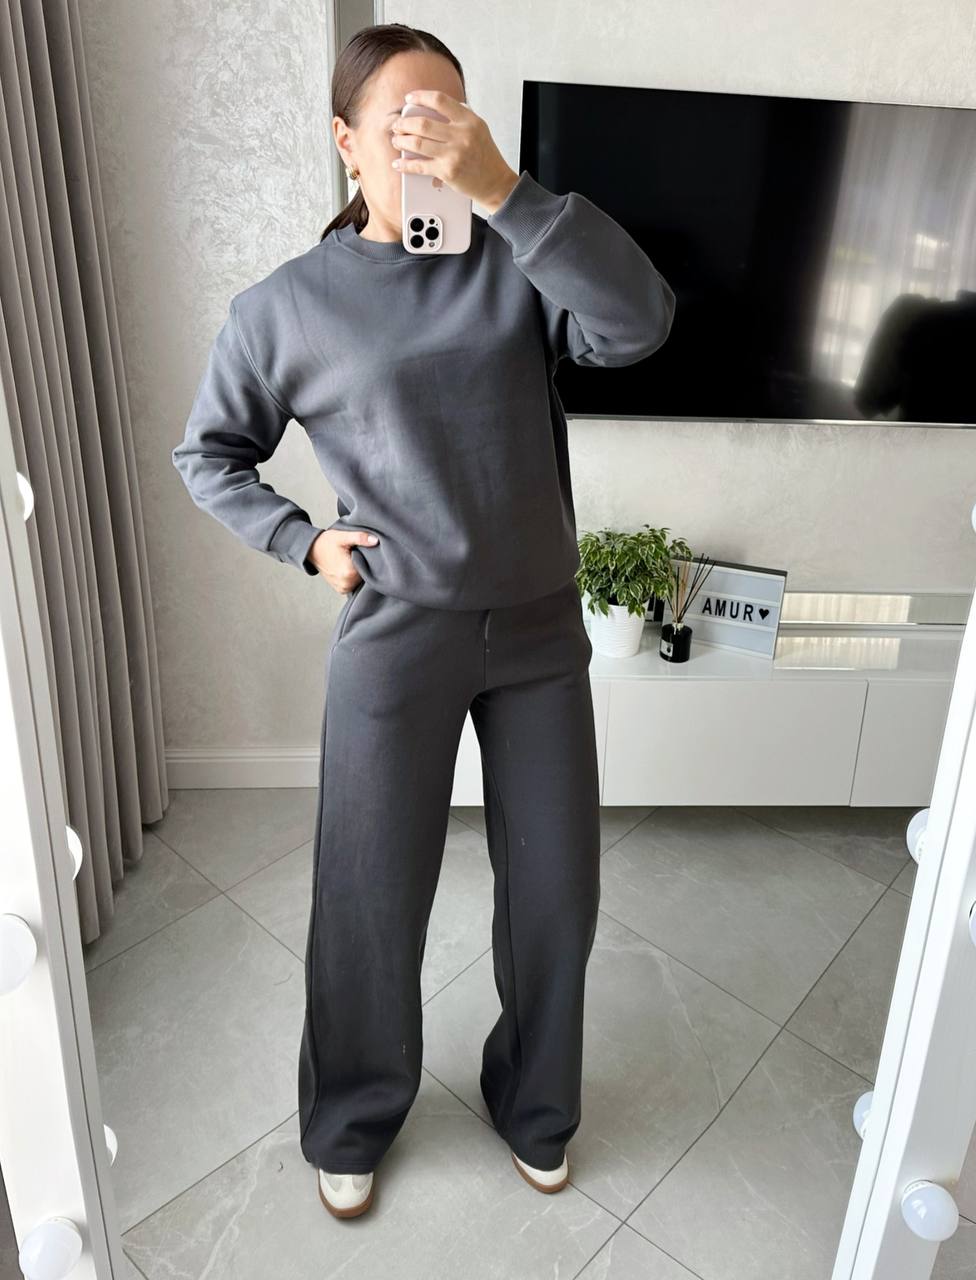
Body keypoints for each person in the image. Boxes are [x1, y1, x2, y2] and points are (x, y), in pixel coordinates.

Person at [171, 23, 675, 1219]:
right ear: (345, 143)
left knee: (555, 894)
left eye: (445, 117)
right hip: (398, 635)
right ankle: (353, 1113)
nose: (424, 140)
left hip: (540, 633)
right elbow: (210, 453)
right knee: (369, 893)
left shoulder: (518, 263)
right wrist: (305, 540)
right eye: (400, 122)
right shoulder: (286, 307)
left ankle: (535, 1101)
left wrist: (505, 190)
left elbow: (639, 322)